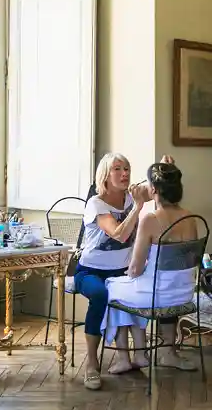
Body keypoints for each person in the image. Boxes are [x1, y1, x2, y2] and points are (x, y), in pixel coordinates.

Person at [101, 161, 199, 373]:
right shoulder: (191, 218)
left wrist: (131, 272)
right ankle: (168, 353)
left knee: (112, 287)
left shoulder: (150, 219)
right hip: (184, 293)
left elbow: (135, 269)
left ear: (153, 190)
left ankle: (125, 357)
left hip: (157, 295)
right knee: (136, 286)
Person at [73, 152, 146, 390]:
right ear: (105, 175)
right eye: (117, 169)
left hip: (121, 272)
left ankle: (139, 355)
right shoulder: (96, 203)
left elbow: (155, 188)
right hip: (90, 272)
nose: (124, 173)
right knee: (100, 295)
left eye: (126, 168)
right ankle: (92, 364)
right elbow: (119, 233)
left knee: (146, 285)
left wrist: (164, 169)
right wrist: (137, 208)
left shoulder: (130, 198)